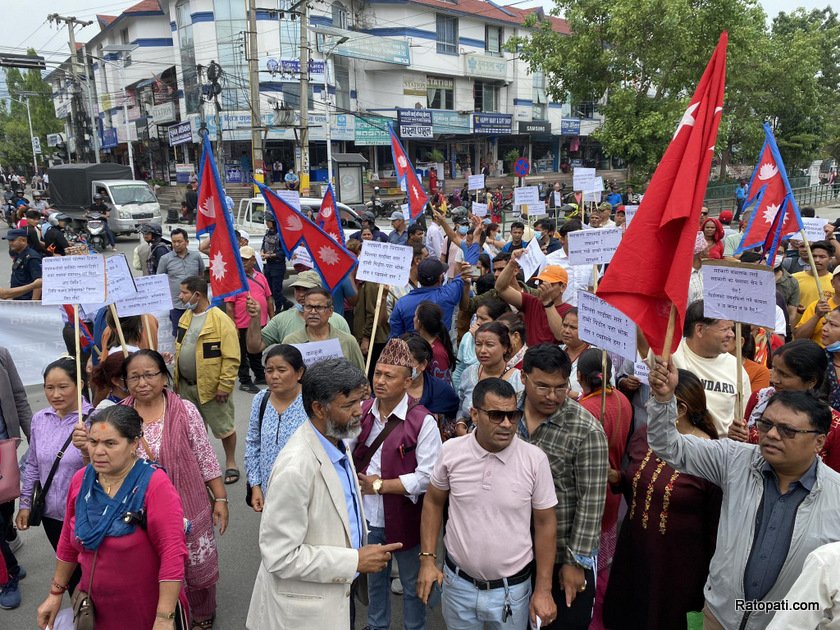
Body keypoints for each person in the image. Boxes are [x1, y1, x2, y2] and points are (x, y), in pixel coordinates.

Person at [648, 355, 840, 629]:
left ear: (818, 441)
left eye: (787, 430)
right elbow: (668, 446)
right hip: (718, 618)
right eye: (766, 424)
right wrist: (664, 399)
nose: (772, 435)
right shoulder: (735, 459)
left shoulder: (836, 496)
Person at [246, 359, 402, 629]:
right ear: (319, 408)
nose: (359, 412)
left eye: (360, 402)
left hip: (338, 593)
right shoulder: (296, 468)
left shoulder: (339, 441)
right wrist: (355, 560)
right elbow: (279, 556)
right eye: (348, 405)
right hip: (305, 612)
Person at [417, 377, 559, 628]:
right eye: (495, 415)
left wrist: (543, 590)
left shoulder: (534, 460)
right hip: (458, 586)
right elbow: (433, 502)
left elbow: (546, 524)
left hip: (511, 593)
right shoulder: (451, 452)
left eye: (512, 415)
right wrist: (428, 560)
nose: (506, 424)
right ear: (474, 413)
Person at [103, 349, 227, 629]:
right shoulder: (117, 416)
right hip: (138, 511)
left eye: (150, 374)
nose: (142, 382)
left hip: (187, 504)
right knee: (149, 566)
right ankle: (163, 615)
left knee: (195, 565)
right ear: (124, 381)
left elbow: (204, 455)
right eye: (134, 376)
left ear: (164, 377)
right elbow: (104, 462)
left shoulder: (185, 410)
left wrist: (220, 498)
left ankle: (202, 614)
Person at [36, 405, 188, 630]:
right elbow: (68, 543)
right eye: (94, 442)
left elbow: (172, 553)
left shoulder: (154, 486)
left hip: (146, 610)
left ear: (134, 443)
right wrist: (55, 593)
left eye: (110, 443)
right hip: (95, 609)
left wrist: (164, 618)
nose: (98, 451)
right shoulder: (81, 480)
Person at [604, 369, 721, 630]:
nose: (647, 404)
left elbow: (717, 528)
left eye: (656, 400)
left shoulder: (712, 457)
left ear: (679, 409)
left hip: (678, 569)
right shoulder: (644, 435)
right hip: (634, 552)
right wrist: (616, 478)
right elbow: (638, 489)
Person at [349, 338, 443, 630]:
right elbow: (343, 450)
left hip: (405, 517)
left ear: (407, 381)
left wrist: (382, 486)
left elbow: (429, 476)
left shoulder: (421, 421)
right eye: (378, 373)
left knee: (414, 581)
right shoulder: (361, 411)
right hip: (367, 517)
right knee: (374, 580)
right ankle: (377, 626)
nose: (380, 381)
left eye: (389, 376)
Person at [517, 345, 608, 630]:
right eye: (542, 386)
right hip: (513, 554)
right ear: (523, 378)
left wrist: (575, 563)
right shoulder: (506, 416)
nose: (552, 396)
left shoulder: (586, 430)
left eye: (560, 387)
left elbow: (591, 504)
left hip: (561, 559)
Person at [17, 358, 91, 594]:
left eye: (63, 386)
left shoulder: (95, 419)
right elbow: (33, 465)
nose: (55, 394)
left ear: (79, 384)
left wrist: (87, 449)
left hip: (86, 514)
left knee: (92, 574)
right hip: (52, 515)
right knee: (69, 576)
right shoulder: (40, 420)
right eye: (49, 387)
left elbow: (108, 469)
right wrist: (26, 504)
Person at [574, 349, 631, 628]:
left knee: (588, 569)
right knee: (605, 563)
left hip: (588, 498)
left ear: (579, 376)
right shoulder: (622, 401)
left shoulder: (583, 411)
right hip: (611, 494)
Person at [729, 339, 840, 471]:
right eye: (774, 369)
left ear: (811, 381)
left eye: (784, 375)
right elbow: (742, 445)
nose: (774, 379)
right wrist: (737, 436)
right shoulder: (759, 399)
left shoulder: (834, 425)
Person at [174, 276, 241, 487]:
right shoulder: (185, 317)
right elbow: (181, 346)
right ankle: (199, 466)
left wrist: (225, 385)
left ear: (197, 294)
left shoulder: (220, 320)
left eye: (184, 292)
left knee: (224, 427)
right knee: (193, 429)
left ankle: (231, 462)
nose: (180, 296)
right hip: (186, 386)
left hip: (212, 388)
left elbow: (231, 356)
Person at [671, 300, 750, 437]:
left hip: (719, 453)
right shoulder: (671, 355)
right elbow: (642, 340)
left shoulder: (737, 369)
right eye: (725, 329)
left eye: (731, 329)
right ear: (700, 330)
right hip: (674, 448)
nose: (731, 334)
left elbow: (743, 419)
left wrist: (737, 433)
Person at [244, 345, 307, 512]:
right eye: (269, 370)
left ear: (299, 372)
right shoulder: (261, 399)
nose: (274, 376)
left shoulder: (311, 402)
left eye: (281, 370)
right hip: (268, 489)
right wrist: (255, 485)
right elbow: (253, 444)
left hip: (303, 491)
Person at [246, 270, 352, 354]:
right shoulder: (281, 320)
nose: (301, 294)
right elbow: (254, 347)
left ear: (319, 291)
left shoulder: (338, 321)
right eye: (298, 289)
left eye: (306, 289)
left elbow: (349, 354)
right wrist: (255, 318)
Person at [495, 252, 572, 345]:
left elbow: (560, 335)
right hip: (530, 356)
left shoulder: (569, 311)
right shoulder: (531, 302)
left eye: (549, 284)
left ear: (562, 287)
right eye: (540, 282)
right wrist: (512, 263)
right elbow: (501, 288)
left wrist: (547, 302)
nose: (542, 286)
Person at [225, 246, 274, 393]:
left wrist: (273, 317)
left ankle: (259, 375)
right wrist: (232, 325)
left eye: (246, 259)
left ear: (253, 260)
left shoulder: (261, 276)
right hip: (241, 324)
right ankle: (245, 380)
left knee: (257, 351)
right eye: (241, 260)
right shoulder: (235, 279)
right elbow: (229, 305)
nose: (243, 262)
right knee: (242, 353)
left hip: (260, 322)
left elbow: (269, 298)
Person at [458, 321, 523, 428]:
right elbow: (461, 407)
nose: (482, 350)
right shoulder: (468, 373)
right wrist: (460, 423)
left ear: (505, 347)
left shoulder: (517, 380)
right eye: (478, 344)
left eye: (490, 345)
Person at [283, 288, 365, 371]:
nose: (313, 312)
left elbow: (361, 379)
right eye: (308, 307)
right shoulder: (291, 342)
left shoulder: (348, 341)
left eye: (319, 307)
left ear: (330, 311)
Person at [389, 259, 467, 337]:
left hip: (413, 347)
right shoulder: (448, 294)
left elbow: (395, 337)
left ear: (418, 277)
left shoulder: (402, 304)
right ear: (440, 278)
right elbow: (463, 276)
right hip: (441, 347)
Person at [401, 333, 460, 433]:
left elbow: (455, 416)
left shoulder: (441, 390)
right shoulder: (391, 386)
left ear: (423, 364)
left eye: (408, 362)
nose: (403, 367)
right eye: (400, 362)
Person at [157, 228, 205, 337]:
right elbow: (160, 280)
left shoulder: (196, 256)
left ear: (187, 242)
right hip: (177, 305)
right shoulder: (165, 259)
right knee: (180, 335)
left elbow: (201, 275)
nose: (176, 244)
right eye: (174, 242)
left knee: (198, 333)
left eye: (179, 241)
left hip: (196, 304)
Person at [794, 265, 840, 346]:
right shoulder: (817, 306)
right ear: (832, 283)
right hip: (818, 356)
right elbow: (799, 337)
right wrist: (817, 316)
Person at [413, 301, 456, 383]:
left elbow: (442, 385)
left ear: (419, 322)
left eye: (415, 316)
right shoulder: (420, 342)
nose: (413, 319)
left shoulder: (437, 353)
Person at [1, 228, 41, 300]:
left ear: (23, 240)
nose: (10, 243)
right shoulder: (19, 254)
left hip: (27, 302)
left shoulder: (32, 257)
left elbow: (38, 284)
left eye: (13, 240)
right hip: (18, 299)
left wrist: (34, 303)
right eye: (9, 241)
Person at [793, 240, 833, 310]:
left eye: (822, 257)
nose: (817, 260)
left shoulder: (835, 281)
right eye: (814, 256)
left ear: (830, 259)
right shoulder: (794, 278)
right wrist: (795, 308)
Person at [260, 215, 288, 305]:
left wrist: (270, 255)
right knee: (269, 289)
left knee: (276, 290)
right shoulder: (267, 234)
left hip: (278, 266)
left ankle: (279, 308)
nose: (266, 222)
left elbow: (283, 252)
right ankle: (286, 303)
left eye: (268, 220)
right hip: (268, 265)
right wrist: (262, 252)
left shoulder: (281, 235)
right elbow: (263, 245)